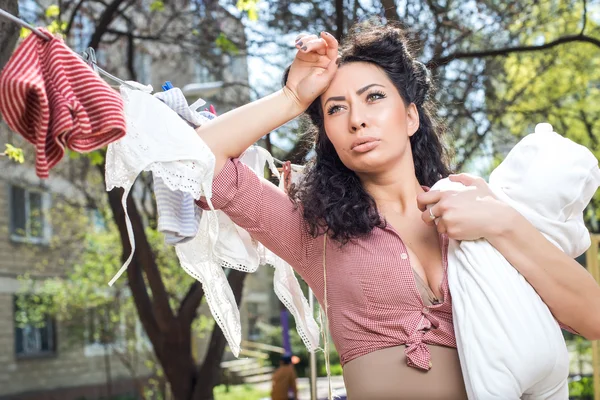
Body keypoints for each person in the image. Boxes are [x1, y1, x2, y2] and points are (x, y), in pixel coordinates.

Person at [196, 21, 600, 399]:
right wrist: (293, 96)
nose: (357, 120)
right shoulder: (314, 230)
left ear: (410, 117)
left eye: (374, 97)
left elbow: (592, 318)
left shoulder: (475, 208)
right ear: (329, 136)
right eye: (336, 109)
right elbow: (198, 160)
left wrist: (503, 223)